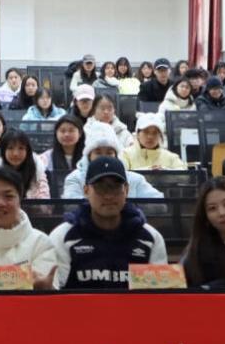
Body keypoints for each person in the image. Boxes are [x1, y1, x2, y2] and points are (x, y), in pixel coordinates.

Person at [47, 157, 169, 288]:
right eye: (100, 187)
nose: (108, 196)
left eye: (115, 187)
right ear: (86, 191)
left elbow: (160, 293)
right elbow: (55, 290)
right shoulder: (63, 236)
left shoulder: (150, 238)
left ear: (126, 190)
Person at [61, 121, 164, 200]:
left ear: (116, 155)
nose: (104, 157)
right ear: (89, 155)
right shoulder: (75, 178)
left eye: (109, 152)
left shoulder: (135, 180)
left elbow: (160, 205)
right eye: (98, 152)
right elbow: (71, 206)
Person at [0, 129, 49, 199]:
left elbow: (44, 199)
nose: (15, 153)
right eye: (10, 148)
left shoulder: (37, 169)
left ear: (27, 151)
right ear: (3, 151)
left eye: (21, 148)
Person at [121, 112, 187, 171]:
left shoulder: (171, 158)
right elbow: (122, 175)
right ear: (137, 134)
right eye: (146, 132)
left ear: (160, 136)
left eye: (155, 133)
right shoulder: (126, 155)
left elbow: (184, 175)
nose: (150, 136)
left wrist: (165, 171)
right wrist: (149, 170)